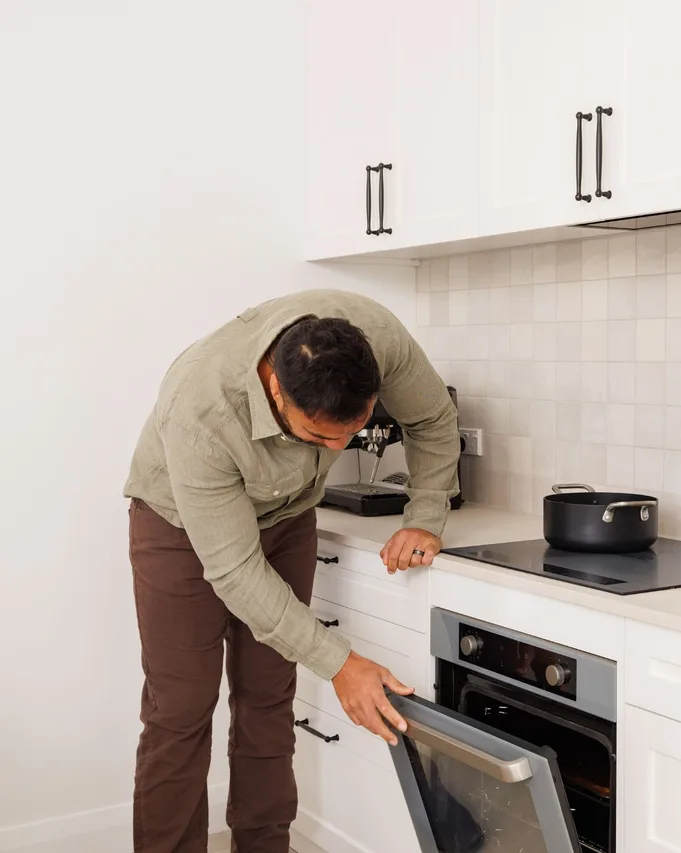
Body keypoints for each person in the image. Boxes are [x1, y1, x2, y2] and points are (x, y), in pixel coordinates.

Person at [123, 289, 460, 853]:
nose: (338, 447)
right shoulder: (201, 409)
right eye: (320, 436)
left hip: (288, 515)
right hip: (179, 526)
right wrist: (342, 664)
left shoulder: (376, 337)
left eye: (351, 431)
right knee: (179, 710)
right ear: (277, 389)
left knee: (268, 698)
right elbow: (233, 571)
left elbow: (430, 416)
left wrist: (426, 514)